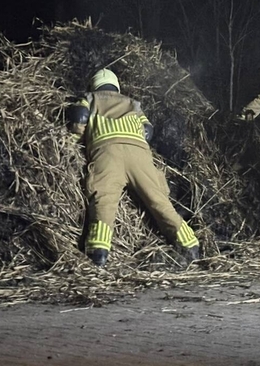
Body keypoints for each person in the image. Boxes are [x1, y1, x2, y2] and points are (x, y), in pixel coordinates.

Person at [66, 68, 201, 268]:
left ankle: (98, 252)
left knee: (104, 201)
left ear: (93, 85)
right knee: (159, 200)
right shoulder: (133, 103)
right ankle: (191, 245)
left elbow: (80, 118)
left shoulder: (90, 98)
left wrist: (73, 141)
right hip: (139, 154)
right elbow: (147, 131)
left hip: (107, 151)